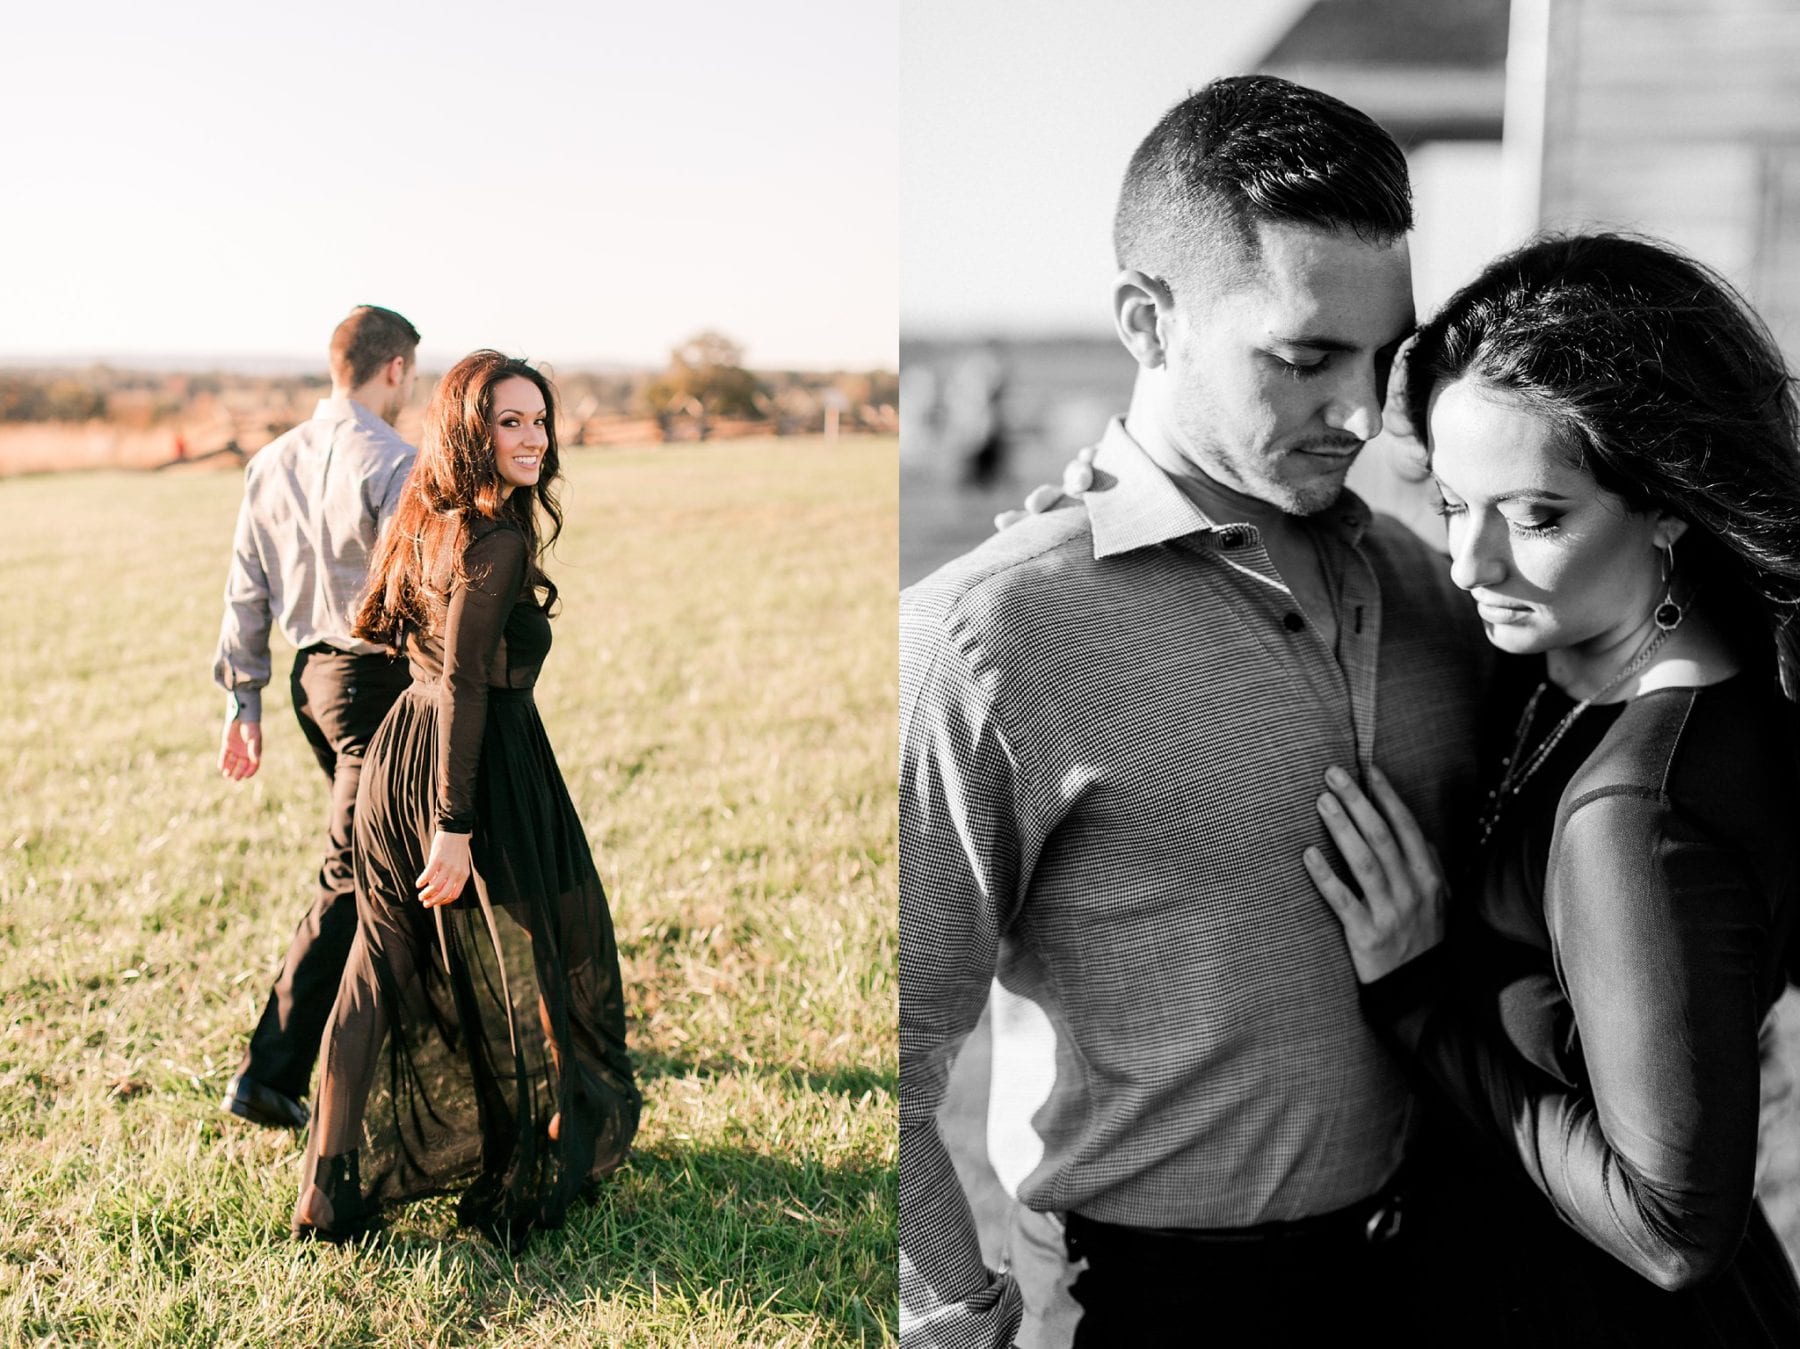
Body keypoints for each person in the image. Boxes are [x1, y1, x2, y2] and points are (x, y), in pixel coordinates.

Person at [899, 76, 1493, 1347]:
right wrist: (959, 1316)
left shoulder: (1446, 595)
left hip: (1437, 1265)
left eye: (1385, 356)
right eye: (1304, 357)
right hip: (1145, 1302)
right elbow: (892, 1042)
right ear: (1148, 323)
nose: (1362, 412)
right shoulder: (987, 632)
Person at [1306, 234, 1800, 1345]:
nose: (1471, 563)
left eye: (1535, 517)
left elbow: (1674, 1226)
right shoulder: (1619, 662)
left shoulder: (1635, 814)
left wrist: (1419, 997)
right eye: (1449, 502)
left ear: (1667, 500)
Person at [292, 350, 640, 1251]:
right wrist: (454, 827)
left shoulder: (423, 512)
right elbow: (467, 685)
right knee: (566, 938)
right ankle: (555, 1143)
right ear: (470, 432)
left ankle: (325, 1190)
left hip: (397, 757)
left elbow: (385, 634)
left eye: (538, 419)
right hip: (476, 767)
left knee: (378, 962)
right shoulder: (495, 537)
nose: (534, 438)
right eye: (510, 422)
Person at [213, 304, 421, 1130]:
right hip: (375, 688)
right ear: (395, 369)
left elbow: (245, 586)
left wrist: (244, 698)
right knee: (353, 873)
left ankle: (414, 1022)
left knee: (392, 860)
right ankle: (270, 1073)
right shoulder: (393, 459)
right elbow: (413, 597)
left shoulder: (270, 461)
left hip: (310, 686)